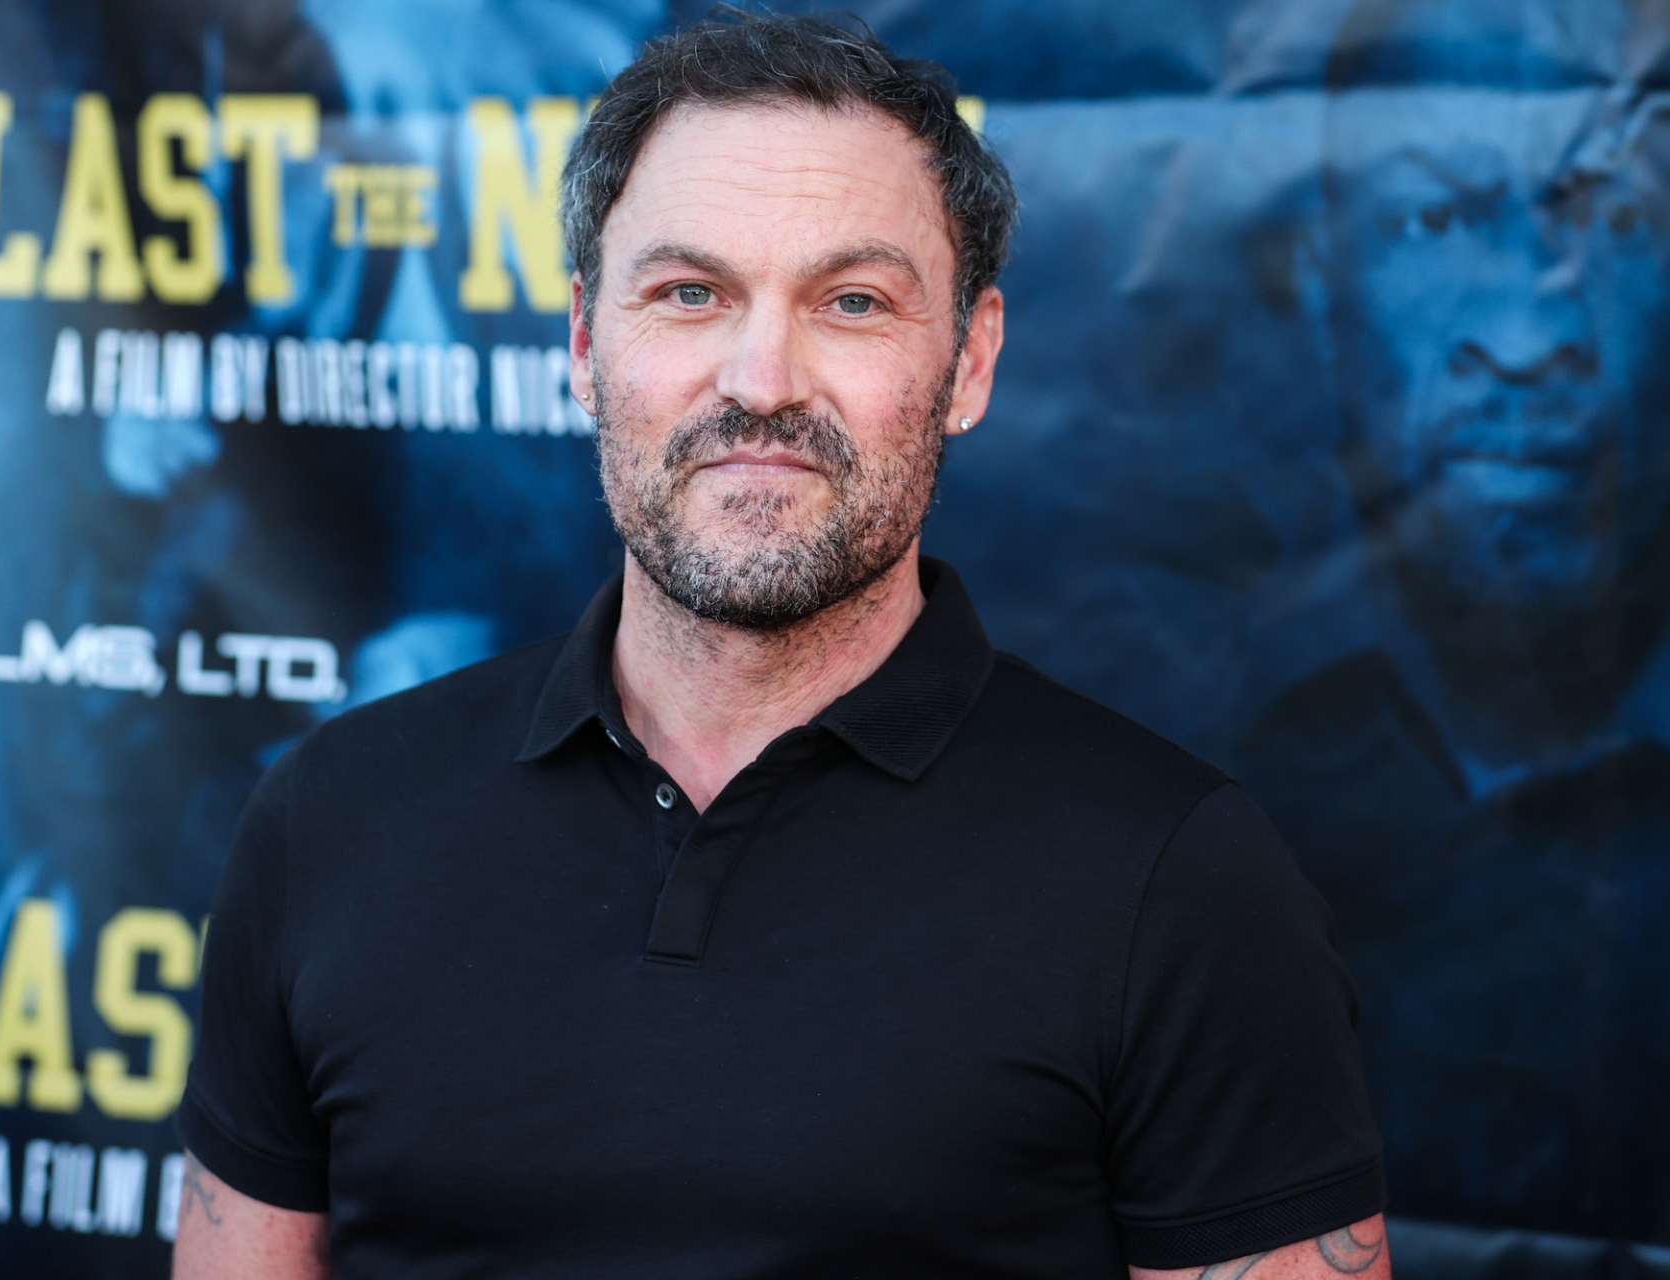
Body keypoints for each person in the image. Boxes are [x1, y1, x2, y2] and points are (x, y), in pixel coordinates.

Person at [173, 13, 1390, 1278]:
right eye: (689, 293)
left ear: (970, 361)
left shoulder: (1181, 881)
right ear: (586, 344)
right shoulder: (330, 818)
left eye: (852, 301)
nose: (761, 380)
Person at [1238, 0, 1670, 1250]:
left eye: (1619, 218)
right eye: (1433, 216)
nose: (1526, 337)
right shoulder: (1164, 776)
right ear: (1320, 279)